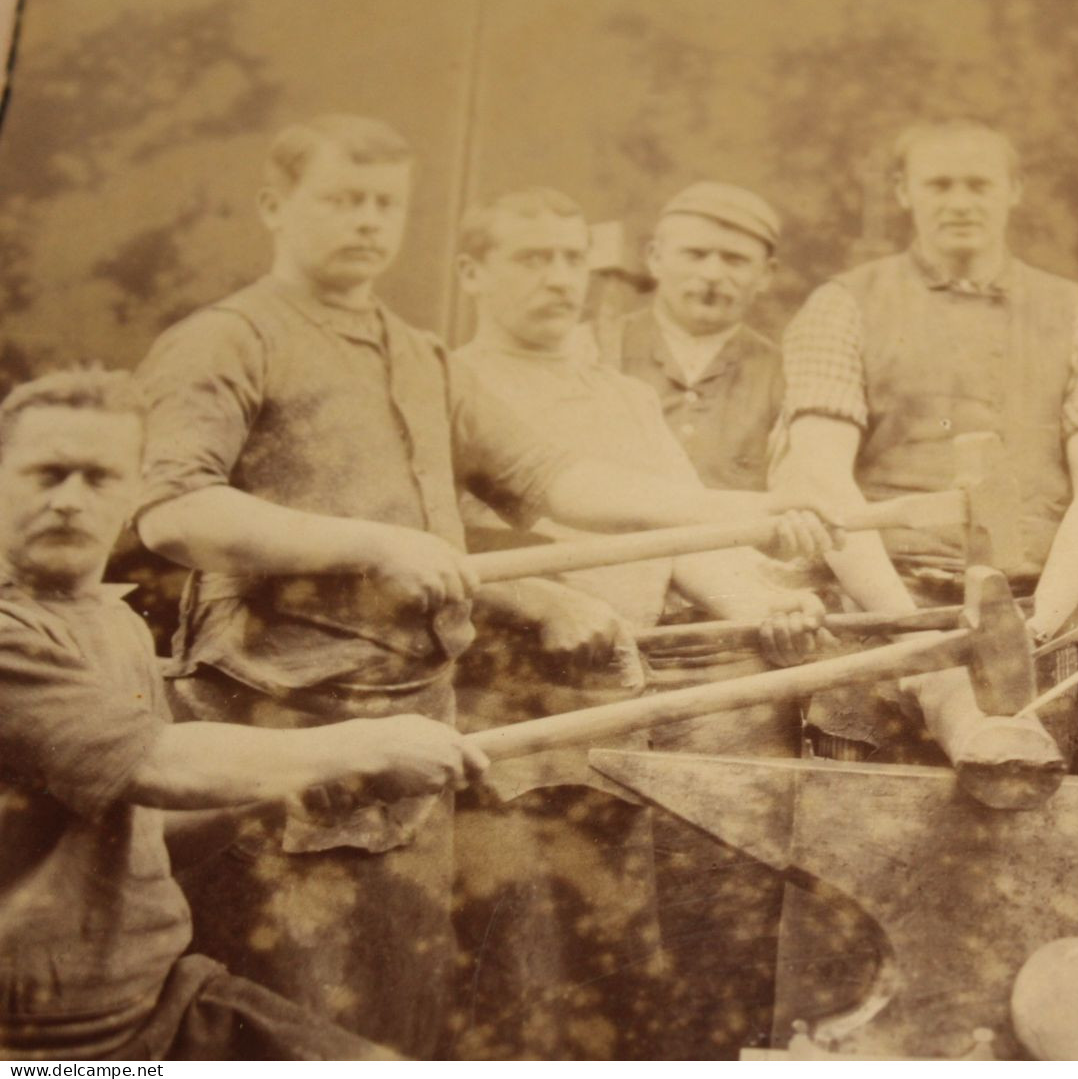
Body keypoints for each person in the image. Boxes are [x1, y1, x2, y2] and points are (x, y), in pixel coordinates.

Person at [133, 114, 834, 1056]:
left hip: (413, 729)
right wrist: (373, 545)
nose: (368, 221)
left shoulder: (414, 353)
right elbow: (174, 514)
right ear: (275, 207)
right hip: (278, 729)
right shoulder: (226, 339)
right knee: (292, 1019)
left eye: (385, 203)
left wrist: (742, 506)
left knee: (405, 1018)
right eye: (342, 199)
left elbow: (555, 482)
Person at [0, 369, 490, 1061]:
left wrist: (277, 791)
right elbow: (156, 765)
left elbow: (148, 841)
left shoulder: (112, 622)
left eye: (99, 477)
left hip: (157, 999)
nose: (70, 501)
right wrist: (359, 745)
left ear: (136, 493)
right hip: (35, 1045)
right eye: (46, 474)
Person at [448, 186, 826, 1059]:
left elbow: (686, 529)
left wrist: (759, 603)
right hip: (499, 705)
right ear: (472, 273)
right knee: (514, 955)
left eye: (571, 260)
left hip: (617, 699)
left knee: (619, 953)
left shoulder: (623, 397)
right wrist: (548, 601)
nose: (558, 279)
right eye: (531, 260)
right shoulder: (445, 381)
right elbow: (439, 535)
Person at [774, 117, 1078, 760]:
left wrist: (1038, 626)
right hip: (881, 619)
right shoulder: (842, 305)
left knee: (1027, 821)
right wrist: (907, 628)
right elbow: (823, 482)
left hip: (1030, 619)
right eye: (939, 184)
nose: (960, 202)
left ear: (1014, 190)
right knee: (853, 836)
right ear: (904, 192)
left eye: (979, 183)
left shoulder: (1076, 312)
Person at [589, 181, 784, 490]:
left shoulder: (784, 377)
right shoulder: (590, 349)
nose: (712, 275)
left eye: (735, 260)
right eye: (695, 254)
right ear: (655, 258)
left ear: (766, 275)